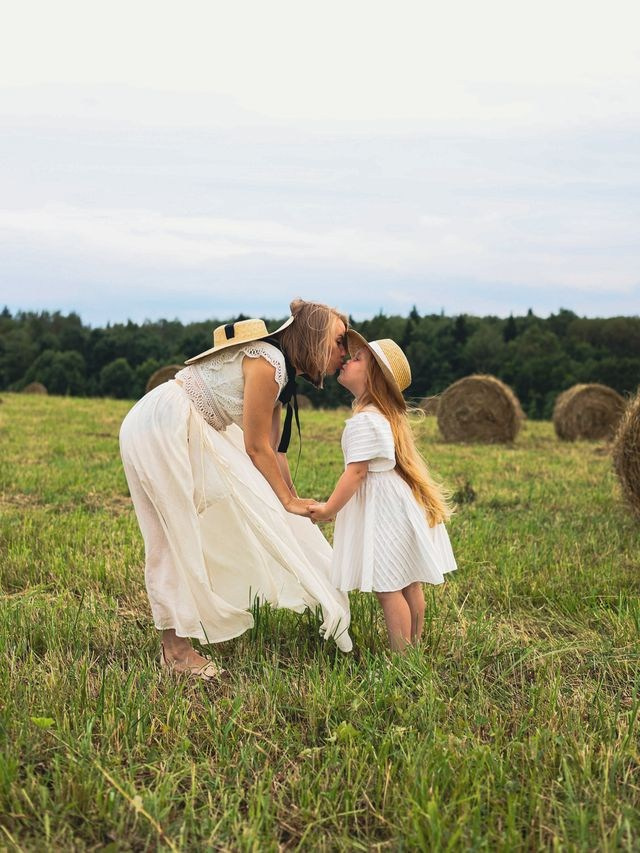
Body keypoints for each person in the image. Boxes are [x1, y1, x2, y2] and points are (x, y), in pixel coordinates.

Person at [119, 299, 353, 680]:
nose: (345, 352)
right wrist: (287, 499)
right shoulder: (269, 363)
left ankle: (179, 639)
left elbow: (275, 455)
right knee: (174, 533)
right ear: (313, 335)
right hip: (163, 423)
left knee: (215, 521)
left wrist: (295, 508)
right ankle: (175, 652)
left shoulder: (281, 373)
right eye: (340, 340)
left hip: (187, 423)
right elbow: (255, 446)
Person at [309, 330, 456, 652]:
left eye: (358, 358)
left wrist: (329, 509)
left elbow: (356, 472)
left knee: (389, 587)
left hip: (384, 509)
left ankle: (402, 659)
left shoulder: (365, 421)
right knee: (408, 582)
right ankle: (413, 647)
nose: (348, 359)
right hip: (397, 501)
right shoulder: (383, 417)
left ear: (373, 377)